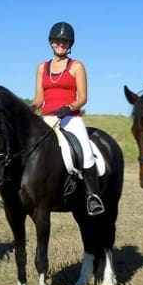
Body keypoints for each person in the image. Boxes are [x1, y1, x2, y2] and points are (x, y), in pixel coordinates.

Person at [30, 21, 105, 216]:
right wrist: (30, 108)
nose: (60, 43)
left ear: (70, 43)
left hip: (70, 118)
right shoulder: (41, 68)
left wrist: (68, 108)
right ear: (51, 42)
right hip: (46, 118)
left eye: (64, 41)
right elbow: (39, 98)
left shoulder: (76, 66)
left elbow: (83, 97)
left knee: (86, 153)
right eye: (56, 40)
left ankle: (92, 196)